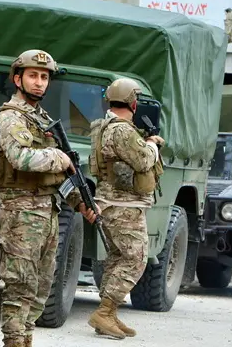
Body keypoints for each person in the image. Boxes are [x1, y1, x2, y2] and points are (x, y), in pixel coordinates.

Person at [0, 49, 99, 347]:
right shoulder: (11, 117)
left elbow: (61, 177)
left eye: (44, 77)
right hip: (19, 211)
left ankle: (24, 339)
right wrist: (57, 156)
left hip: (46, 212)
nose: (39, 83)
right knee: (19, 286)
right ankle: (14, 342)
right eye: (33, 76)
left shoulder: (43, 119)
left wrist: (80, 202)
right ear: (17, 79)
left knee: (40, 288)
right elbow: (19, 158)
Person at [87, 77, 164, 338]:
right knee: (136, 259)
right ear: (133, 102)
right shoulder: (122, 130)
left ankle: (107, 313)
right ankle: (105, 311)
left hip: (111, 204)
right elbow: (143, 161)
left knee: (118, 258)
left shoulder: (104, 126)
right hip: (123, 206)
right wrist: (153, 144)